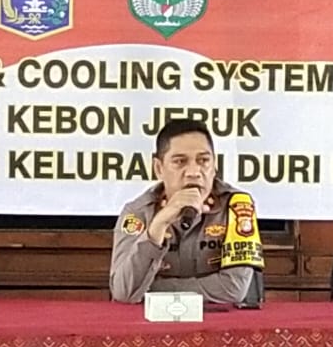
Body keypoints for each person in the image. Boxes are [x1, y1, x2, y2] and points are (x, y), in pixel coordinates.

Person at [110, 118, 264, 304]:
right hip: (152, 320)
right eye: (180, 162)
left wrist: (149, 290)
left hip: (219, 319)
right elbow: (124, 292)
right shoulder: (138, 213)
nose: (193, 172)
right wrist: (157, 226)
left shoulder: (237, 207)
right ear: (159, 168)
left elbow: (233, 289)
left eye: (203, 161)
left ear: (215, 165)